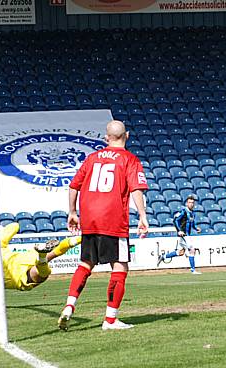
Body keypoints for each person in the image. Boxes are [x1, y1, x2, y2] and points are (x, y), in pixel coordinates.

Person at [58, 120, 149, 331]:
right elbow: (136, 188)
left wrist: (72, 212)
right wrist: (142, 215)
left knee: (85, 264)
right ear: (126, 136)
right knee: (119, 267)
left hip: (89, 220)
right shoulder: (129, 159)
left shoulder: (91, 158)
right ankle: (110, 320)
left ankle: (70, 305)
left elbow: (74, 186)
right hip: (113, 219)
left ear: (106, 138)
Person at [0, 222, 81, 295]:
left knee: (42, 273)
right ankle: (81, 238)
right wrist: (0, 230)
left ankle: (42, 257)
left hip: (21, 277)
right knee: (54, 253)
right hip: (25, 258)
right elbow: (15, 226)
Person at [156, 195, 202, 274]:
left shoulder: (192, 213)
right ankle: (193, 270)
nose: (191, 204)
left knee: (180, 252)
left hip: (186, 234)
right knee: (192, 250)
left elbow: (192, 223)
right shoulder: (184, 211)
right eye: (190, 202)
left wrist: (196, 228)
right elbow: (175, 220)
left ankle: (163, 257)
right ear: (187, 203)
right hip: (184, 234)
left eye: (193, 203)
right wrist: (179, 231)